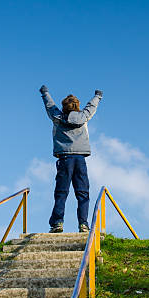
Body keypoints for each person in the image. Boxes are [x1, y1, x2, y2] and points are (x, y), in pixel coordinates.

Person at [39, 85, 103, 233]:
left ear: (64, 107)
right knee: (83, 193)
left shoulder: (57, 117)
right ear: (77, 106)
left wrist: (45, 92)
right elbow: (91, 107)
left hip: (64, 159)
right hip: (80, 159)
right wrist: (98, 96)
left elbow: (50, 106)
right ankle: (83, 224)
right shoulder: (84, 117)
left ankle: (57, 223)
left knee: (61, 192)